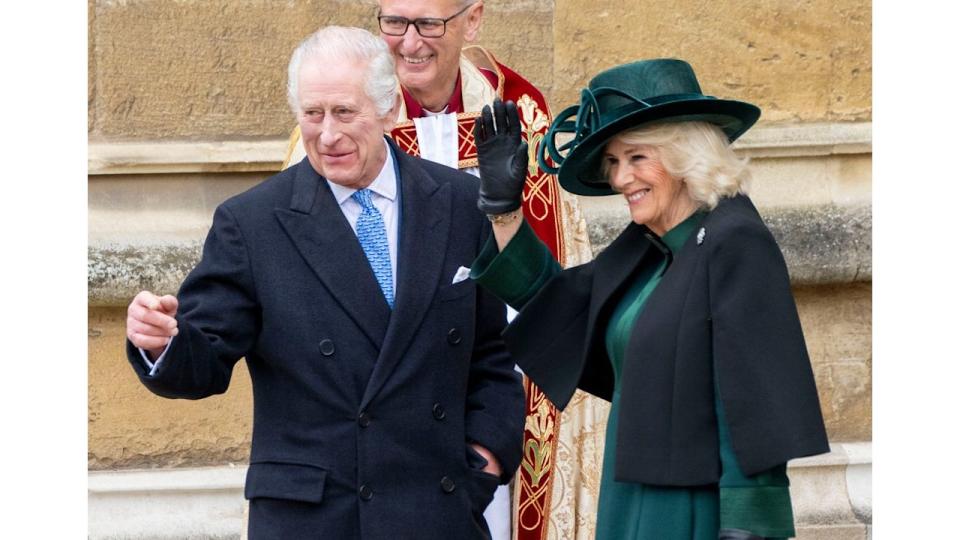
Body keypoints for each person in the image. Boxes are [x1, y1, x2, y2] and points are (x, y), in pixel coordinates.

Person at [124, 26, 525, 539]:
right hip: (313, 519)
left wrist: (482, 463)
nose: (327, 135)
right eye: (313, 114)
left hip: (436, 510)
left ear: (387, 110)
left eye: (344, 112)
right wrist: (163, 343)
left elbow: (492, 355)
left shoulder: (458, 201)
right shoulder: (252, 222)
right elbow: (205, 361)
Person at [469, 59, 831, 539]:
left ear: (686, 156)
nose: (620, 179)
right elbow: (562, 311)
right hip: (631, 499)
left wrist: (747, 530)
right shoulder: (649, 246)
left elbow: (749, 400)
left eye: (637, 158)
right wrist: (504, 212)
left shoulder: (734, 240)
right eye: (614, 162)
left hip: (692, 511)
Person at [282, 2, 599, 538]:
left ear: (471, 20)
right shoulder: (341, 119)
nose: (410, 43)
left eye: (429, 23)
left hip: (484, 400)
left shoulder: (517, 112)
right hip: (376, 418)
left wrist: (488, 453)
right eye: (394, 23)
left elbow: (551, 273)